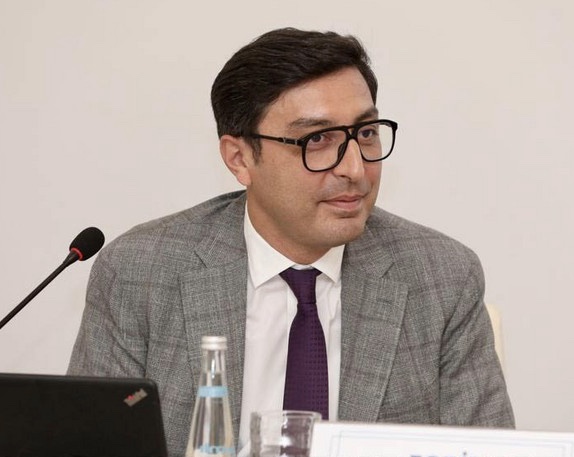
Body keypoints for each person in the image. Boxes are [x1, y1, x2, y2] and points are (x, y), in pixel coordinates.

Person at [68, 28, 514, 457]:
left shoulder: (441, 277)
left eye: (365, 133)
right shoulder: (141, 273)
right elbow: (90, 445)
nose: (354, 169)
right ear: (240, 159)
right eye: (317, 139)